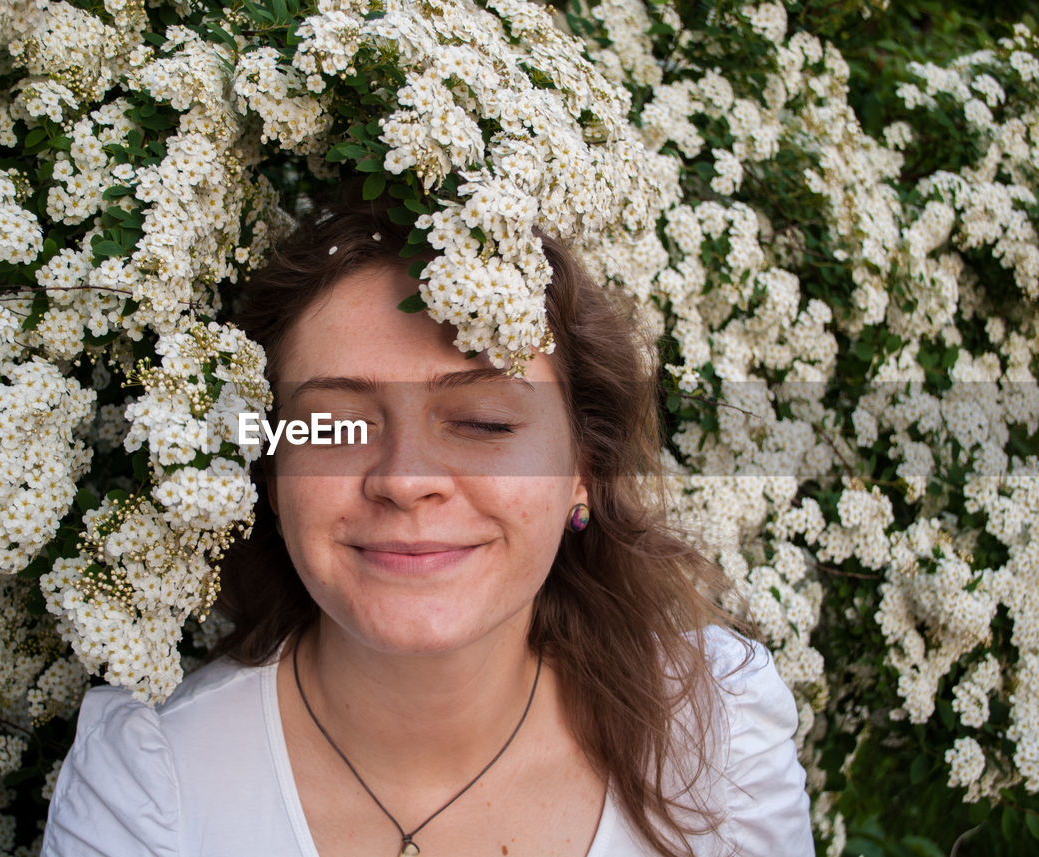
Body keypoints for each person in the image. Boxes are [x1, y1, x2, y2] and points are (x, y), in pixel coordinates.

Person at [41, 197, 814, 856]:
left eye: (481, 421)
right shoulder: (150, 798)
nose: (406, 479)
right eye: (336, 426)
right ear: (271, 477)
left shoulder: (719, 742)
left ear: (583, 468)